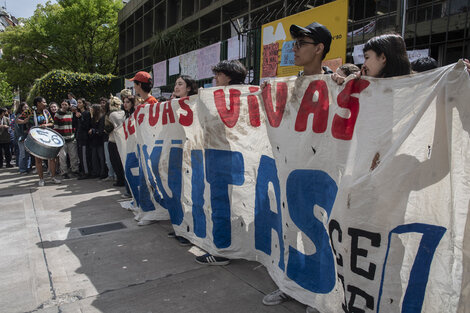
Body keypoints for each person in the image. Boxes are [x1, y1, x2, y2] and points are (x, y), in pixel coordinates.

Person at [262, 21, 334, 308]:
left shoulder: (338, 83)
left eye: (301, 44)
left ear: (319, 49)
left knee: (323, 236)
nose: (294, 49)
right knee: (289, 231)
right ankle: (291, 285)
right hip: (291, 171)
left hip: (325, 173)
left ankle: (322, 293)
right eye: (293, 44)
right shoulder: (286, 87)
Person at [194, 61, 247, 266]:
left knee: (222, 204)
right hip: (235, 157)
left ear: (228, 76)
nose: (215, 79)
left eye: (218, 75)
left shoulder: (232, 97)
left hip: (224, 159)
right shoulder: (247, 95)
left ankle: (223, 250)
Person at [167, 75, 198, 246]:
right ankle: (181, 226)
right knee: (177, 191)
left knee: (189, 192)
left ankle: (189, 230)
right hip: (176, 152)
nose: (176, 87)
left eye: (180, 84)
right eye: (176, 84)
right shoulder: (172, 105)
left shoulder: (195, 104)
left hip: (190, 154)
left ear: (188, 88)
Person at [29, 97, 61, 186]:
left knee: (52, 158)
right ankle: (41, 179)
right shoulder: (30, 111)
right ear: (38, 103)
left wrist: (45, 125)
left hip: (47, 137)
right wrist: (24, 120)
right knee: (38, 159)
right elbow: (18, 120)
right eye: (44, 102)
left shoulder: (46, 112)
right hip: (35, 137)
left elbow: (52, 122)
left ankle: (53, 177)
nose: (46, 104)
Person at [54, 99, 79, 178]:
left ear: (68, 105)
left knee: (73, 156)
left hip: (71, 138)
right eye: (62, 104)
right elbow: (56, 127)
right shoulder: (57, 114)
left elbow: (74, 125)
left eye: (65, 105)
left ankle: (75, 170)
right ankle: (64, 172)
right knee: (63, 157)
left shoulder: (71, 113)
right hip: (62, 139)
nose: (64, 106)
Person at [106, 96, 126, 187]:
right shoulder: (124, 113)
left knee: (115, 162)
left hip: (113, 140)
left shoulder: (110, 115)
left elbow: (107, 128)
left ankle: (120, 180)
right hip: (123, 140)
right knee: (122, 161)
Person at [88, 104, 107, 179]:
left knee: (101, 158)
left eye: (92, 109)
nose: (90, 110)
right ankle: (96, 172)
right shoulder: (92, 118)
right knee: (94, 158)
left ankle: (103, 173)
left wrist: (93, 131)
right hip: (94, 141)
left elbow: (100, 130)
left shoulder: (101, 118)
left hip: (100, 141)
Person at [76, 98, 92, 179]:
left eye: (80, 102)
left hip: (85, 138)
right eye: (77, 103)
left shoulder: (86, 113)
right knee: (80, 156)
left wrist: (80, 118)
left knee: (84, 155)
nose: (78, 104)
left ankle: (86, 172)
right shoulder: (79, 113)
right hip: (79, 137)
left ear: (83, 104)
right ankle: (83, 171)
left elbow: (86, 126)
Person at [14, 102, 32, 174]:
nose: (26, 109)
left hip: (28, 136)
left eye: (27, 107)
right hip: (21, 137)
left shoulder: (28, 115)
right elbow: (18, 127)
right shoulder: (19, 116)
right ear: (21, 108)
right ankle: (22, 169)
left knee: (28, 153)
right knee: (23, 154)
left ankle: (27, 168)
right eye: (24, 107)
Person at [101, 97, 115, 181]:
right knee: (108, 159)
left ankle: (115, 175)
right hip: (107, 139)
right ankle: (111, 174)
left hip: (112, 138)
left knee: (112, 159)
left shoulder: (111, 115)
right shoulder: (106, 115)